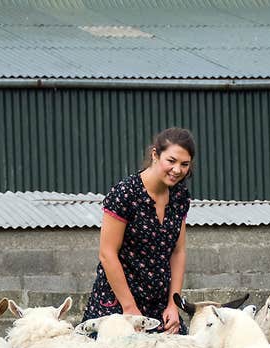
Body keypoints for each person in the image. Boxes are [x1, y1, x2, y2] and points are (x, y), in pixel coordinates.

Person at [82, 127, 195, 335]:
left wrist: (173, 304)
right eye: (171, 161)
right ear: (155, 155)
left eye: (184, 164)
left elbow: (178, 252)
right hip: (118, 305)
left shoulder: (180, 197)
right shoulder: (125, 193)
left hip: (159, 306)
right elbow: (107, 254)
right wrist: (130, 310)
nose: (177, 169)